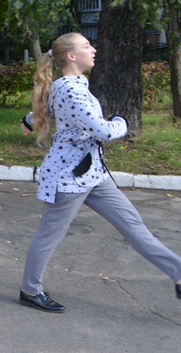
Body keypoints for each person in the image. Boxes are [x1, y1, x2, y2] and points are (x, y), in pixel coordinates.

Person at [19, 32, 181, 312]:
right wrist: (122, 122)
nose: (93, 49)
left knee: (133, 226)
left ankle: (178, 274)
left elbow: (51, 109)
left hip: (93, 173)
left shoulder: (73, 84)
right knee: (49, 235)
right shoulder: (70, 89)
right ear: (71, 56)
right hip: (69, 177)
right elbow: (103, 130)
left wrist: (29, 119)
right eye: (86, 46)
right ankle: (30, 291)